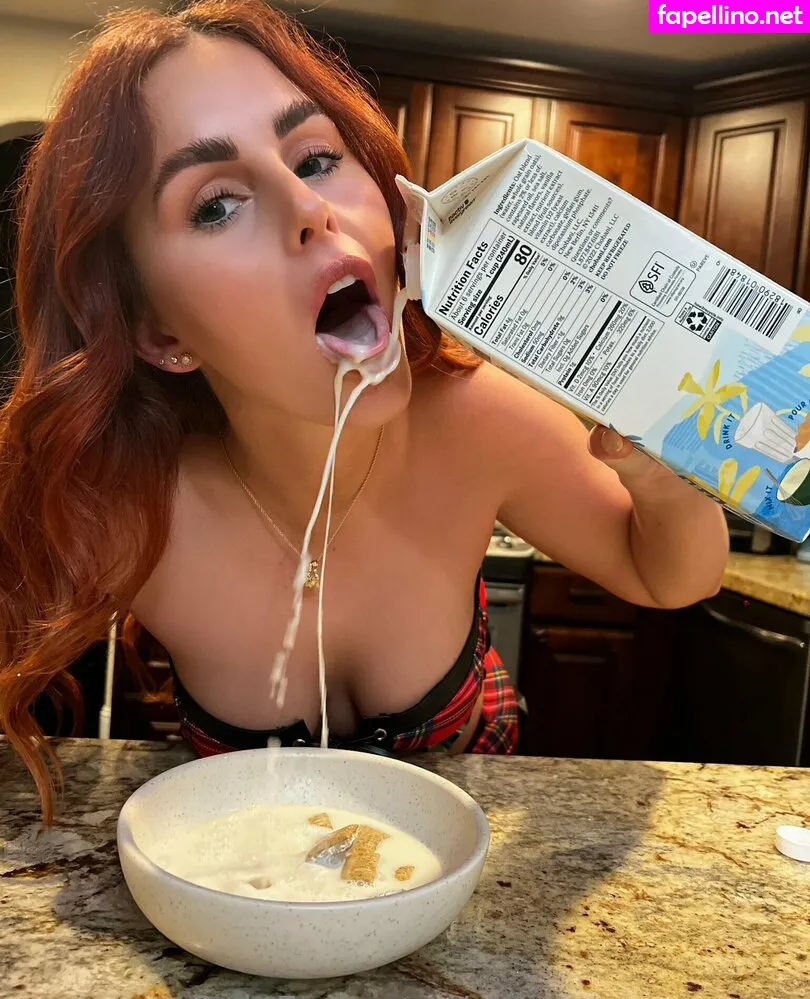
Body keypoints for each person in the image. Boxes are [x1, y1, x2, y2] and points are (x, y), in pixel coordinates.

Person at [0, 0, 728, 822]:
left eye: (315, 159)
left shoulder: (481, 420)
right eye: (215, 205)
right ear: (159, 331)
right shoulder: (124, 506)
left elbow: (670, 577)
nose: (309, 209)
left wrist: (661, 475)